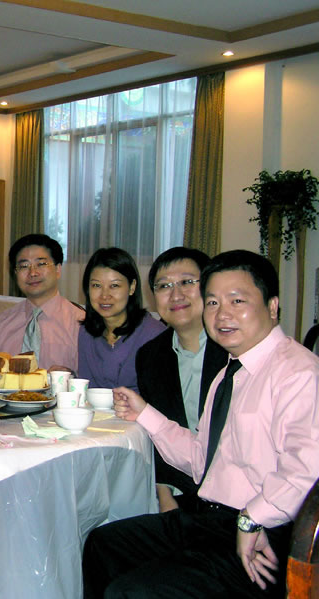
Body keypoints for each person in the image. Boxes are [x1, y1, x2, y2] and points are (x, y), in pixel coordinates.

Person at [83, 249, 319, 599]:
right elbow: (199, 459)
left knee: (131, 592)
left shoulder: (297, 371)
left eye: (237, 300)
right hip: (212, 520)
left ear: (272, 307)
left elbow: (307, 470)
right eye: (212, 303)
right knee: (103, 544)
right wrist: (144, 413)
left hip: (265, 534)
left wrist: (252, 517)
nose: (222, 314)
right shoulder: (230, 374)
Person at [136, 247, 228, 512]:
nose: (176, 295)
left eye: (187, 282)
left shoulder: (232, 348)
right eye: (164, 286)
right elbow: (155, 435)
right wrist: (165, 496)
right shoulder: (150, 356)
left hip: (233, 496)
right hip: (180, 495)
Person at [0, 233, 83, 371]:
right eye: (24, 266)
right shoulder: (1, 323)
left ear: (58, 269)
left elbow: (93, 378)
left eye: (41, 264)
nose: (33, 273)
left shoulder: (81, 323)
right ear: (15, 273)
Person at [77, 247, 165, 391]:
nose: (104, 295)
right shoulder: (86, 332)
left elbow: (159, 396)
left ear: (132, 287)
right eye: (96, 285)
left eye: (114, 285)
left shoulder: (154, 334)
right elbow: (85, 388)